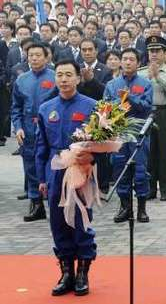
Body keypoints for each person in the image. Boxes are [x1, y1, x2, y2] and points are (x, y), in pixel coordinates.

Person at [35, 59, 98, 296]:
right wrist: (41, 178)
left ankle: (83, 272)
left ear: (78, 78)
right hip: (54, 170)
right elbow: (41, 147)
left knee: (81, 220)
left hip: (81, 169)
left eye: (68, 75)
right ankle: (66, 272)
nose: (63, 80)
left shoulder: (92, 106)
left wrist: (90, 159)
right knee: (58, 222)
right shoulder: (46, 108)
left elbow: (100, 143)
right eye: (59, 75)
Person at [103, 48, 153, 223]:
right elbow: (106, 108)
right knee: (120, 169)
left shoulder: (146, 83)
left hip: (139, 133)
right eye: (124, 59)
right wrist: (121, 102)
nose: (128, 62)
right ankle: (125, 207)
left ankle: (142, 209)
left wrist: (130, 98)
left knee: (140, 171)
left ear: (138, 63)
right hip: (119, 133)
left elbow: (147, 107)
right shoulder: (112, 85)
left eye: (132, 59)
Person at [11, 42, 55, 222]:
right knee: (30, 167)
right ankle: (36, 204)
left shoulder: (55, 77)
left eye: (38, 55)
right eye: (31, 55)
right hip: (28, 130)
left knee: (51, 167)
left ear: (46, 57)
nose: (34, 58)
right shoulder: (21, 80)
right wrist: (18, 127)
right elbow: (16, 108)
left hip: (49, 130)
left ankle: (55, 204)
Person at [139, 36, 166, 201]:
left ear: (164, 53)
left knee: (165, 152)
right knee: (149, 152)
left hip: (164, 112)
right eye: (151, 51)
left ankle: (165, 189)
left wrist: (158, 76)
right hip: (147, 112)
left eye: (157, 51)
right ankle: (150, 189)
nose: (154, 54)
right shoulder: (141, 72)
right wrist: (149, 76)